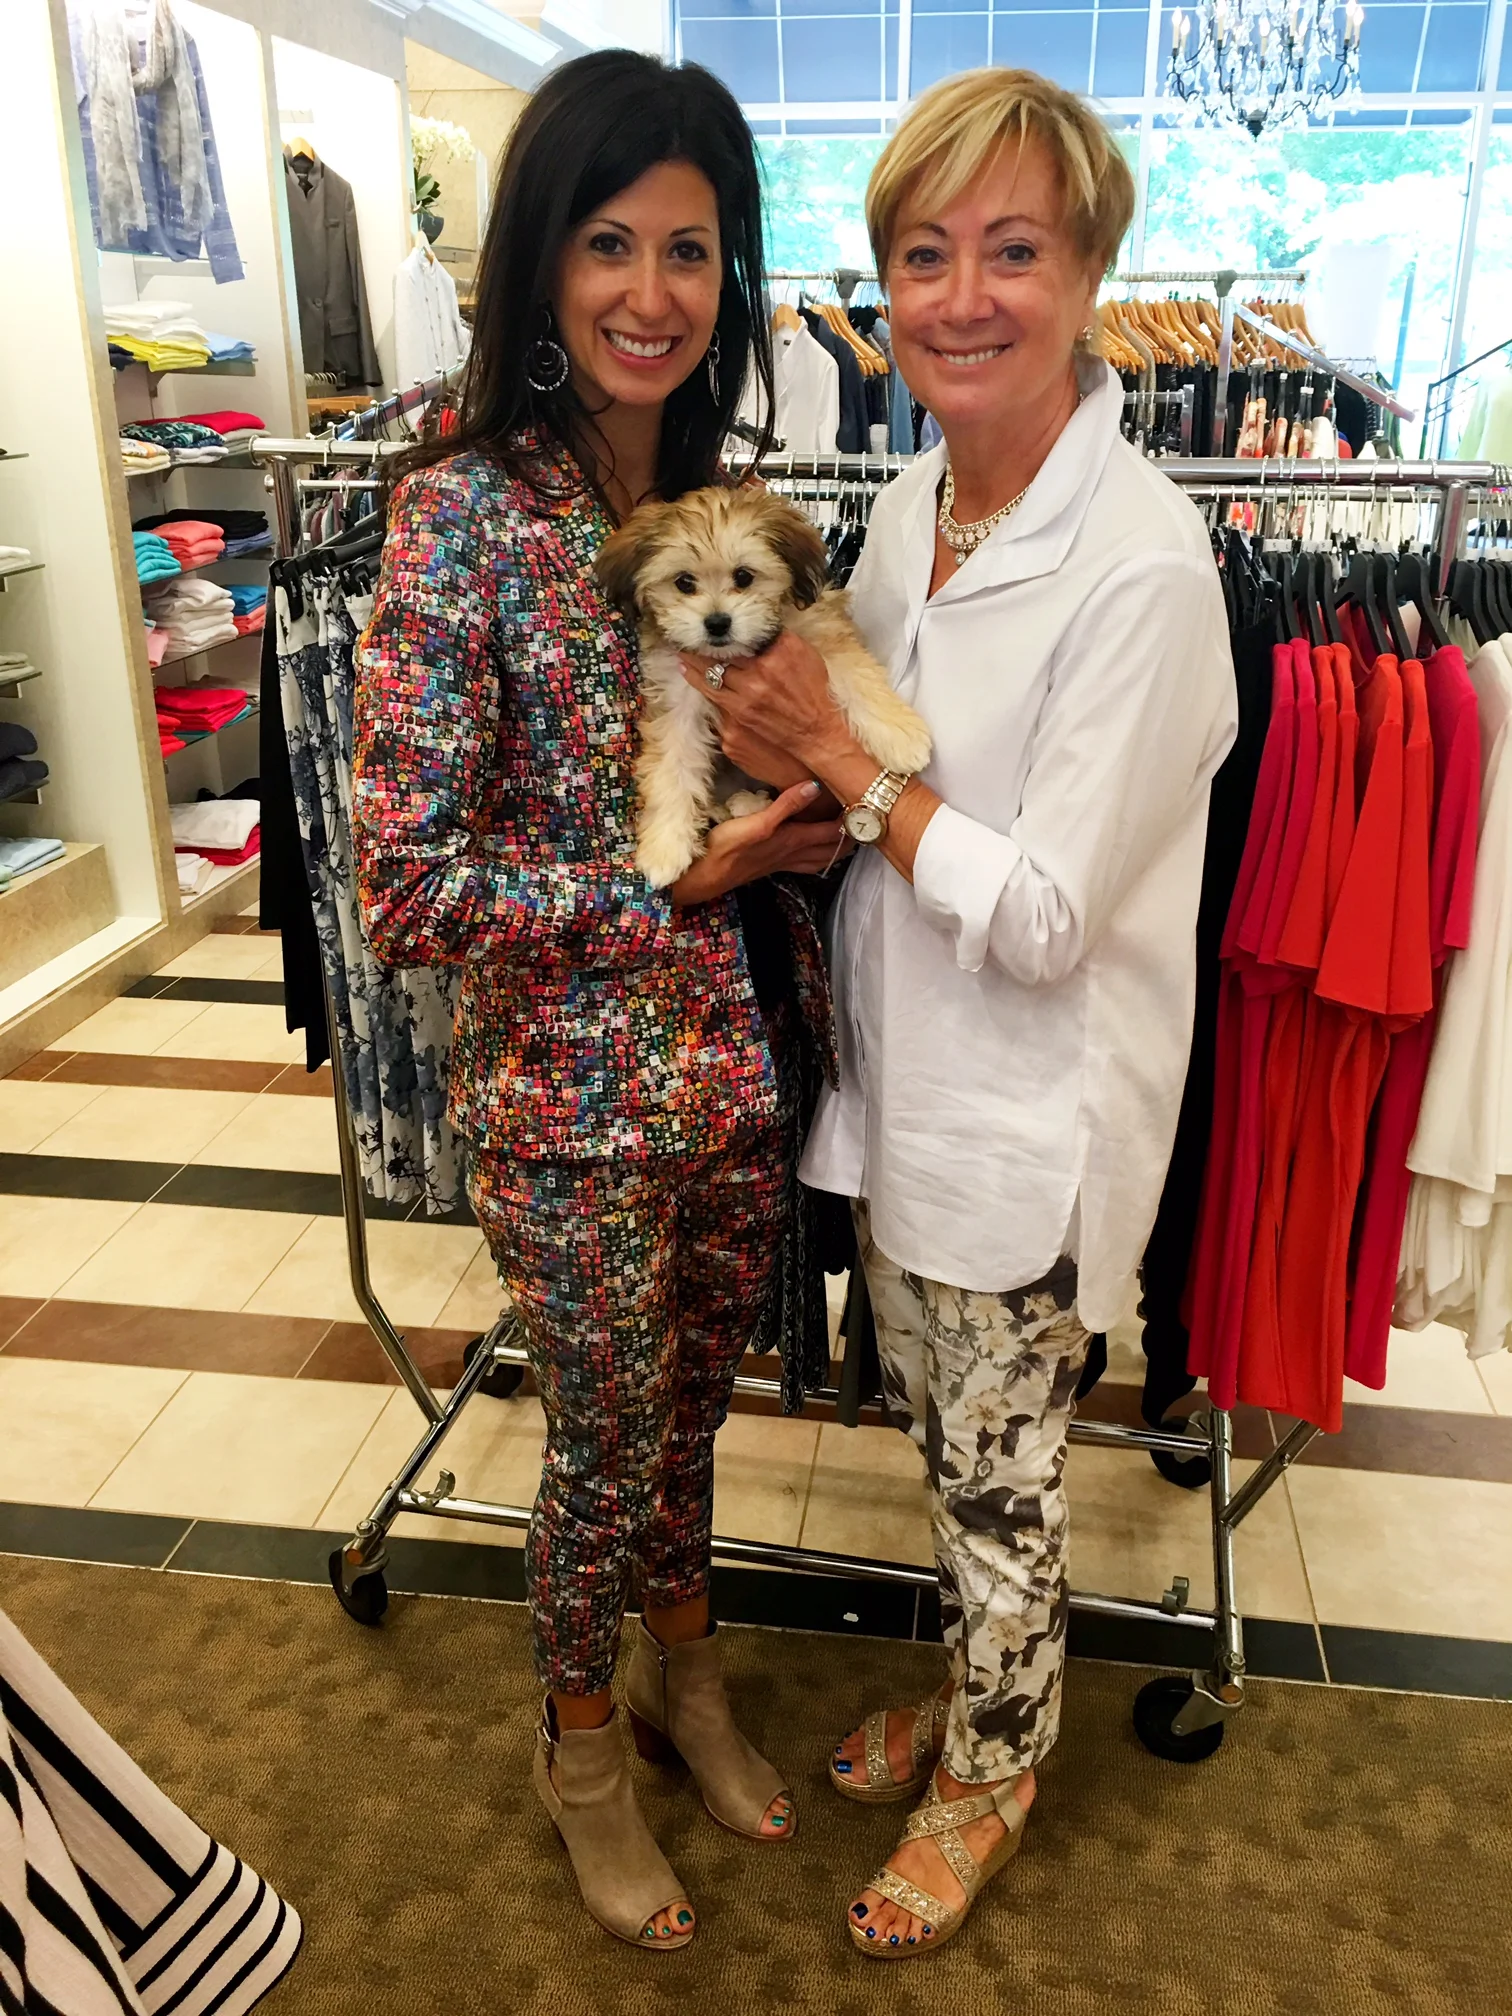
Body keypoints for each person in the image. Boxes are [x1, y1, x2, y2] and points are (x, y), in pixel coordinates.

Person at [685, 67, 1238, 1959]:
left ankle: (996, 1769)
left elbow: (1052, 915)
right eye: (923, 256)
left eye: (1013, 250)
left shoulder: (1144, 566)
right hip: (904, 1088)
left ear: (1088, 274)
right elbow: (872, 801)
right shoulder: (920, 500)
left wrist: (845, 767)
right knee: (948, 1451)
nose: (962, 297)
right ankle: (981, 1693)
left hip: (1024, 1116)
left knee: (1006, 1495)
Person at [352, 51, 847, 1953]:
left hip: (740, 1068)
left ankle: (685, 1684)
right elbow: (405, 885)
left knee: (696, 1417)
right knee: (601, 1446)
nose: (652, 291)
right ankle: (578, 1755)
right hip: (570, 1102)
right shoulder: (458, 513)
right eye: (611, 242)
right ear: (544, 260)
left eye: (692, 250)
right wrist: (675, 883)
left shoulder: (733, 505)